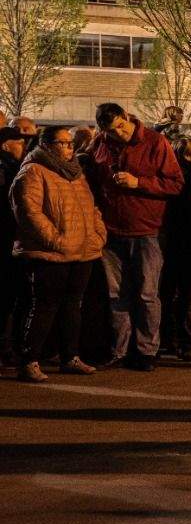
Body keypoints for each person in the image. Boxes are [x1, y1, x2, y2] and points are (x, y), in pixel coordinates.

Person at [84, 102, 184, 371]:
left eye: (120, 126)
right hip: (111, 230)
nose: (118, 134)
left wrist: (138, 182)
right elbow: (91, 178)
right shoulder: (101, 144)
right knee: (117, 294)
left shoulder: (155, 142)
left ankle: (146, 350)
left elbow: (175, 183)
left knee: (147, 294)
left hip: (146, 230)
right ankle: (120, 349)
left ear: (126, 117)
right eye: (111, 130)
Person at [11, 125, 105, 382]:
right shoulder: (33, 171)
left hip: (83, 251)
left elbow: (91, 206)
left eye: (70, 143)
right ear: (47, 145)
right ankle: (29, 359)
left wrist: (97, 233)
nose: (68, 147)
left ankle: (70, 356)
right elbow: (29, 213)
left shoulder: (76, 173)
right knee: (43, 306)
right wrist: (56, 240)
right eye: (62, 143)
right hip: (48, 253)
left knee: (73, 306)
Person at [160, 136, 191, 362]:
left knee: (171, 294)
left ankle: (170, 340)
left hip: (172, 244)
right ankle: (188, 341)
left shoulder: (172, 177)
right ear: (190, 155)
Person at [0, 127, 27, 366]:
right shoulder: (6, 169)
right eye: (19, 142)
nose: (24, 146)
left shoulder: (14, 168)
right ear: (6, 145)